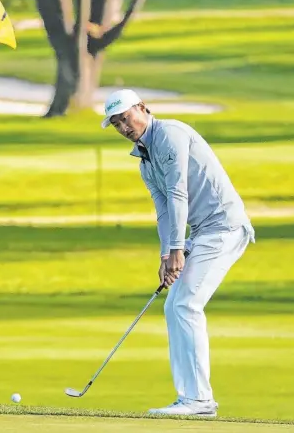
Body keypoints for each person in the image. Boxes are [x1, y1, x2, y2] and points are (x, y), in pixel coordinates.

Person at [101, 89, 255, 417]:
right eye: (116, 124)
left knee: (185, 303)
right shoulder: (144, 159)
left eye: (126, 118)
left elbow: (177, 194)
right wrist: (165, 255)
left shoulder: (169, 135)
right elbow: (163, 210)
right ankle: (192, 397)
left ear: (143, 108)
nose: (123, 128)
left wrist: (177, 250)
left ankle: (199, 400)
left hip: (224, 226)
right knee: (175, 306)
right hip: (203, 231)